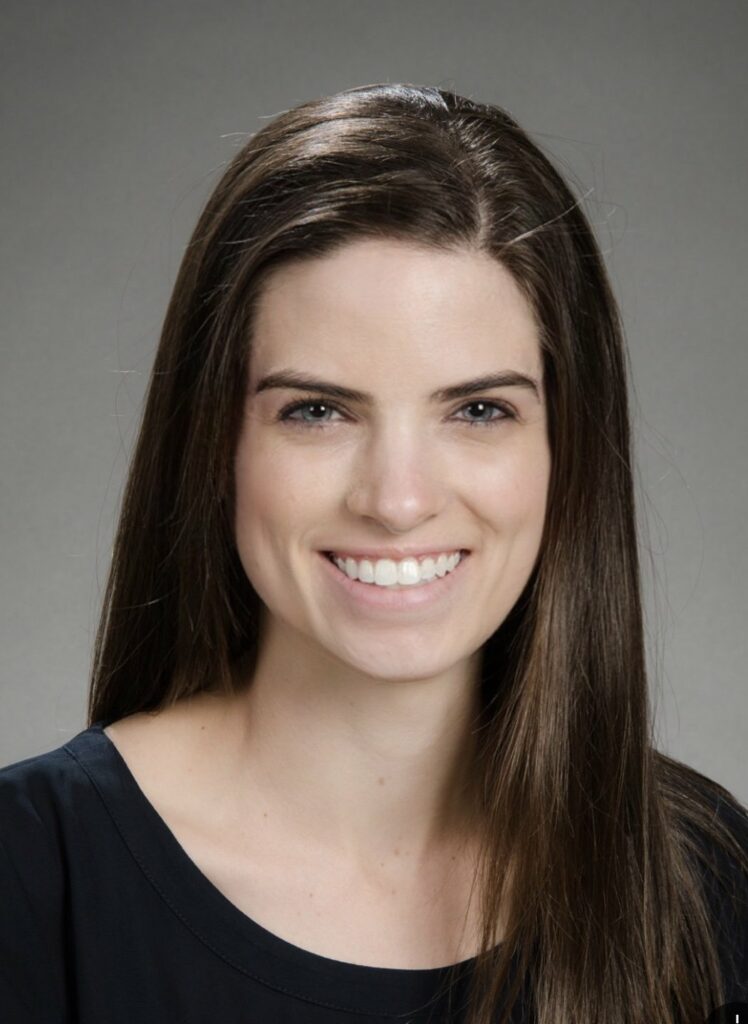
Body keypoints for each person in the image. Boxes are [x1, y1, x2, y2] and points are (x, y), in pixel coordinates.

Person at [1, 82, 746, 1024]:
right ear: (215, 444)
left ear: (570, 451)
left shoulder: (699, 876)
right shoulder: (32, 874)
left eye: (480, 411)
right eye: (317, 411)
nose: (397, 501)